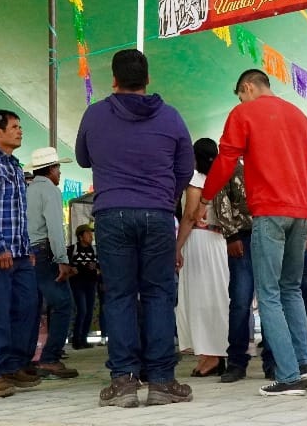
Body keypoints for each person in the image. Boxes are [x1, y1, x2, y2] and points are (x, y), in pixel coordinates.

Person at [193, 68, 307, 398]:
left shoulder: (243, 113)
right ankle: (302, 365)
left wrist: (205, 199)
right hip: (301, 214)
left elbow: (226, 160)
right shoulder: (300, 116)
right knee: (290, 291)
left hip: (269, 213)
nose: (241, 100)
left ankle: (287, 376)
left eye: (240, 94)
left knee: (269, 294)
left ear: (247, 87)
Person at [76, 49, 195, 407]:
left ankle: (124, 383)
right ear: (147, 80)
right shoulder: (171, 117)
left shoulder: (95, 114)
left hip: (112, 215)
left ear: (113, 80)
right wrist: (164, 195)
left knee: (119, 296)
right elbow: (185, 169)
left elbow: (83, 158)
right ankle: (161, 381)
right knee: (159, 295)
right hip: (158, 215)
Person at [0, 110, 41, 392]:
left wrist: (26, 248)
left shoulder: (17, 167)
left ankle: (15, 364)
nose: (20, 131)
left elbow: (21, 213)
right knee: (0, 313)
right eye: (15, 127)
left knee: (28, 308)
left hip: (21, 252)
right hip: (0, 252)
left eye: (20, 127)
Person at [174, 138, 230, 378]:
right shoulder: (221, 179)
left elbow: (190, 216)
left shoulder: (196, 181)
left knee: (200, 297)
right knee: (217, 295)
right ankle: (215, 351)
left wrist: (177, 247)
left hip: (198, 241)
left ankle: (211, 354)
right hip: (219, 242)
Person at [25, 146, 79, 379]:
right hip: (45, 251)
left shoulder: (26, 190)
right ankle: (50, 357)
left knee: (31, 308)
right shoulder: (51, 192)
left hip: (27, 253)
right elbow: (55, 228)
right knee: (64, 304)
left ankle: (23, 359)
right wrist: (62, 259)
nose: (60, 173)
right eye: (58, 168)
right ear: (51, 169)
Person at [215, 158, 257, 383]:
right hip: (242, 237)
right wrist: (231, 235)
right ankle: (236, 362)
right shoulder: (229, 165)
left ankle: (274, 359)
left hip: (271, 233)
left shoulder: (269, 160)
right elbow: (221, 200)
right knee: (240, 301)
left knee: (273, 300)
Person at [67, 224, 99, 350]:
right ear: (80, 236)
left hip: (91, 283)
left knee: (89, 312)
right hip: (77, 283)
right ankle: (76, 340)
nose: (91, 236)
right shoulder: (73, 249)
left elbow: (100, 266)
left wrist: (96, 268)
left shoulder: (94, 250)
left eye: (91, 234)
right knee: (82, 310)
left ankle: (84, 339)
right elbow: (63, 262)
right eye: (88, 233)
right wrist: (71, 268)